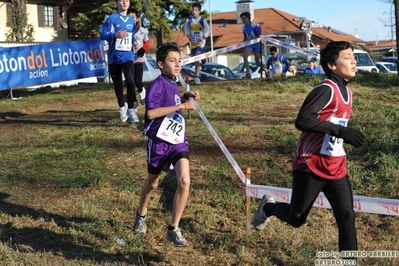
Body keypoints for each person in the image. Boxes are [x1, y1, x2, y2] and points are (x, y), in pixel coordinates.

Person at [253, 41, 366, 253]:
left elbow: (331, 127)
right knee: (296, 218)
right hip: (311, 163)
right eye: (347, 57)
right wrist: (342, 132)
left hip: (335, 165)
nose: (353, 61)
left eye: (354, 57)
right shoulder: (326, 89)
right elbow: (303, 120)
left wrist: (343, 136)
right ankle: (268, 207)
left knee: (347, 216)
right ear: (332, 65)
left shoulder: (347, 93)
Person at [133, 42, 200, 247]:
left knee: (185, 181)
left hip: (177, 141)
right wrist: (182, 104)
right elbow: (151, 112)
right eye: (172, 61)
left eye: (179, 61)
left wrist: (185, 96)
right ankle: (141, 215)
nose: (178, 65)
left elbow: (172, 101)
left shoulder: (174, 82)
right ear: (161, 64)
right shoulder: (157, 84)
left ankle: (173, 228)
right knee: (152, 183)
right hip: (159, 143)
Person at [100, 0, 139, 123]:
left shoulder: (131, 20)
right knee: (117, 83)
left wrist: (134, 42)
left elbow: (131, 34)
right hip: (114, 57)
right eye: (122, 0)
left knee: (130, 80)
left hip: (128, 55)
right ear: (117, 3)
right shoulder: (111, 19)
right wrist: (115, 35)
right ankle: (122, 107)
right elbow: (102, 35)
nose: (124, 2)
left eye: (127, 0)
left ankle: (131, 110)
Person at [184, 3, 210, 85]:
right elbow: (186, 29)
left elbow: (208, 30)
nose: (194, 12)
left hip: (201, 43)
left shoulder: (202, 20)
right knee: (193, 59)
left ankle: (197, 77)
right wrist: (188, 36)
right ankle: (202, 56)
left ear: (199, 11)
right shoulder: (188, 20)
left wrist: (203, 37)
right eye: (193, 10)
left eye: (196, 10)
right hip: (193, 43)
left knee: (196, 58)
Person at [128, 7, 149, 106]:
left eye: (133, 17)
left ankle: (141, 91)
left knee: (137, 81)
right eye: (129, 17)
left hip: (139, 59)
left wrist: (143, 49)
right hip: (128, 59)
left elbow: (147, 43)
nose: (131, 19)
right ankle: (134, 101)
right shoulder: (125, 31)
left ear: (137, 19)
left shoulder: (142, 31)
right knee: (130, 82)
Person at [240, 11, 267, 79]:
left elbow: (259, 36)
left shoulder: (254, 26)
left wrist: (252, 38)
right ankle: (248, 73)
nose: (243, 20)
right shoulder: (243, 28)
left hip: (256, 45)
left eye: (244, 18)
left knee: (257, 62)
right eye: (242, 19)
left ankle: (267, 71)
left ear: (248, 18)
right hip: (250, 45)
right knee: (245, 56)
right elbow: (245, 37)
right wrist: (244, 41)